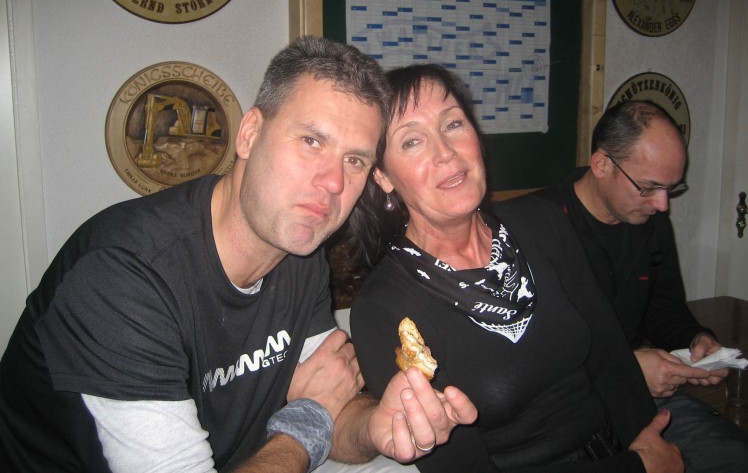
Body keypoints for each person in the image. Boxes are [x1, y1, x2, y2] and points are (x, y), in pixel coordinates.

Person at [0, 37, 477, 473]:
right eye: (311, 141)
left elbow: (334, 405)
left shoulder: (298, 255)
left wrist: (375, 425)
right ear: (249, 133)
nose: (334, 182)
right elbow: (316, 414)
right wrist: (306, 421)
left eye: (355, 160)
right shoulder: (123, 274)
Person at [346, 64, 684, 473]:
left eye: (453, 124)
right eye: (412, 141)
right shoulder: (383, 309)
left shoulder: (543, 222)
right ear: (382, 176)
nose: (446, 152)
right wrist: (637, 468)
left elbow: (609, 355)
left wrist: (648, 440)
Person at [519, 100, 748, 472]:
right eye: (649, 187)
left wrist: (695, 338)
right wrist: (625, 368)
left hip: (637, 395)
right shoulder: (533, 228)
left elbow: (663, 306)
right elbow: (527, 356)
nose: (662, 205)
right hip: (564, 408)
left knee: (735, 456)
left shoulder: (650, 220)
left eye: (671, 188)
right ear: (602, 165)